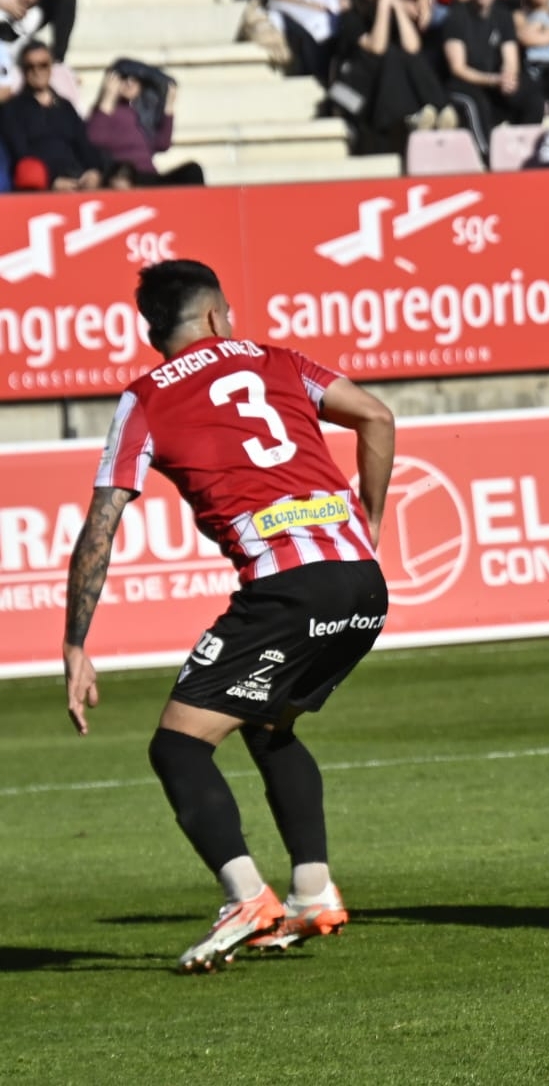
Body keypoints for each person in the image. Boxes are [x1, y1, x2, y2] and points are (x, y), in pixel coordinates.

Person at [63, 259, 394, 973]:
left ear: (158, 333)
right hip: (363, 584)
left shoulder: (146, 396)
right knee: (268, 726)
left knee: (178, 747)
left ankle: (246, 896)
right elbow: (376, 414)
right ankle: (313, 891)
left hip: (287, 589)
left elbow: (102, 521)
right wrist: (369, 519)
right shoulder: (281, 361)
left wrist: (75, 643)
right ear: (216, 316)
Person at [332, 0, 456, 150]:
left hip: (391, 83)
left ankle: (439, 108)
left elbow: (413, 46)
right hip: (363, 85)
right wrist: (383, 4)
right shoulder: (351, 16)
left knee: (409, 56)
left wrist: (397, 6)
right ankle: (416, 113)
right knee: (391, 53)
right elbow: (377, 47)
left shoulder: (393, 9)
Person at [444, 0, 545, 154]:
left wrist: (508, 78)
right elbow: (458, 67)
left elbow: (511, 57)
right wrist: (493, 80)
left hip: (495, 79)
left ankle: (525, 152)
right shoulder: (457, 15)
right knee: (475, 103)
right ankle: (487, 157)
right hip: (465, 82)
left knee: (532, 95)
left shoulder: (502, 14)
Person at [0, 42, 111, 191]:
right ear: (23, 70)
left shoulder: (65, 107)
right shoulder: (12, 109)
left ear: (51, 67)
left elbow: (84, 143)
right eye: (30, 66)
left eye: (43, 65)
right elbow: (20, 153)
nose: (37, 71)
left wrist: (93, 171)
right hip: (42, 185)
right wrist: (52, 181)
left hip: (78, 176)